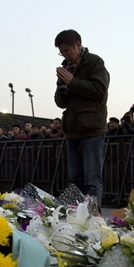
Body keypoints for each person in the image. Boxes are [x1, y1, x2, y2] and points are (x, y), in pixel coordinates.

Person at [54, 29, 109, 211]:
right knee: (75, 179)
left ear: (78, 45)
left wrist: (72, 82)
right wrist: (62, 88)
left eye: (67, 50)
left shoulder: (94, 62)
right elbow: (60, 103)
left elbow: (100, 89)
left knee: (92, 181)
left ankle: (94, 221)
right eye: (62, 52)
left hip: (92, 130)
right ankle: (76, 219)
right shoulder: (66, 68)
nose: (65, 55)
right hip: (72, 131)